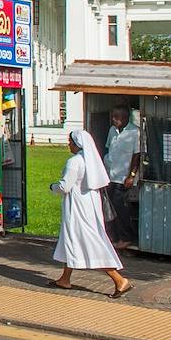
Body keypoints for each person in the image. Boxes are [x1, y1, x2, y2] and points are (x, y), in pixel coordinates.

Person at [50, 130, 132, 298]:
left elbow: (65, 186)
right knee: (73, 240)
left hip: (77, 208)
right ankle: (65, 278)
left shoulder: (74, 162)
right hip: (90, 206)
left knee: (90, 242)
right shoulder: (91, 160)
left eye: (70, 141)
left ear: (77, 144)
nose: (69, 144)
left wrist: (53, 187)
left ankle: (119, 280)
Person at [102, 106, 141, 248]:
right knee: (109, 207)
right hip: (111, 174)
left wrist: (131, 175)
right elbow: (108, 149)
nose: (114, 120)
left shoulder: (134, 132)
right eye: (113, 116)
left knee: (120, 207)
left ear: (125, 118)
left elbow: (137, 155)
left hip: (123, 177)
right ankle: (113, 236)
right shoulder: (112, 131)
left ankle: (126, 236)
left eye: (116, 117)